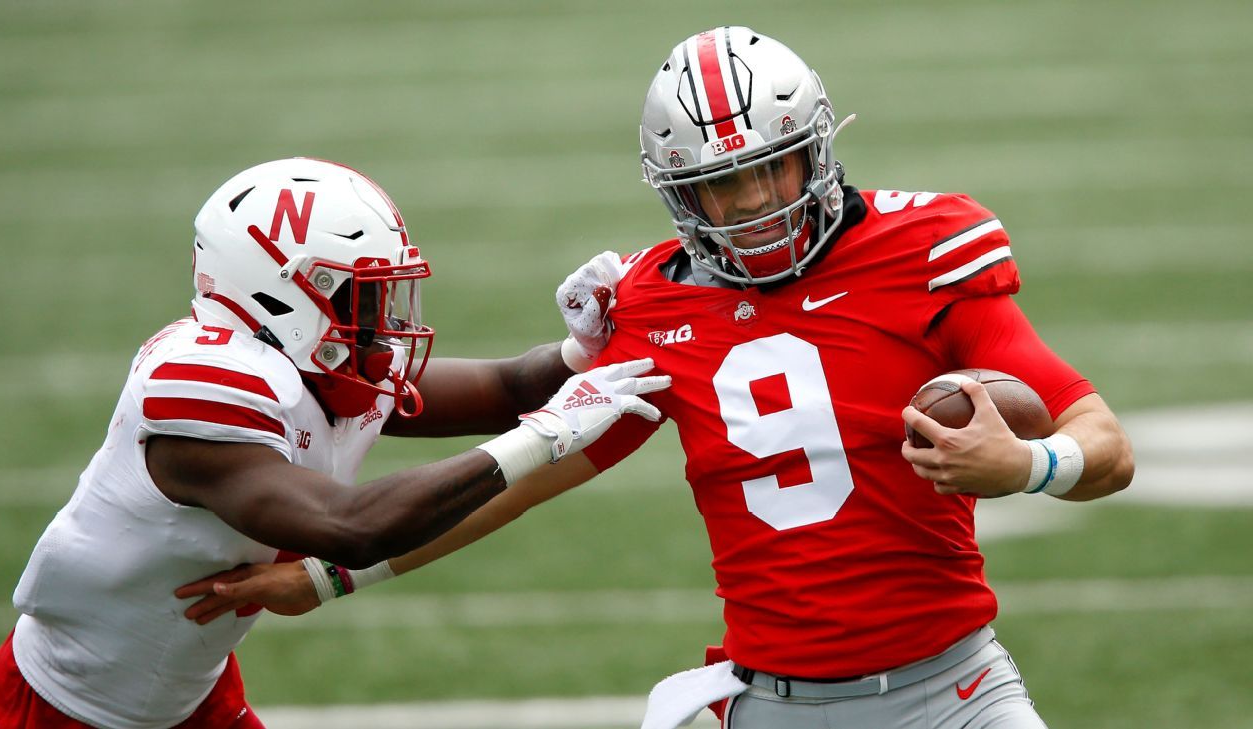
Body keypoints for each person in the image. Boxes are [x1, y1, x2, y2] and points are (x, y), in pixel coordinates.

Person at [175, 28, 1135, 729]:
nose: (755, 206)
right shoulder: (652, 303)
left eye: (773, 170)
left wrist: (1031, 466)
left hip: (959, 694)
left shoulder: (927, 247)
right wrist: (335, 572)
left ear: (818, 150)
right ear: (680, 193)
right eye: (724, 186)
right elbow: (532, 474)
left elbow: (1106, 443)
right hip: (772, 705)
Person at [0, 157, 669, 729]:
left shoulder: (311, 363)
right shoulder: (205, 391)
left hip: (187, 689)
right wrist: (547, 434)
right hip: (68, 707)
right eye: (361, 295)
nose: (382, 320)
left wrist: (582, 351)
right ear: (280, 298)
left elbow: (503, 384)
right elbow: (353, 527)